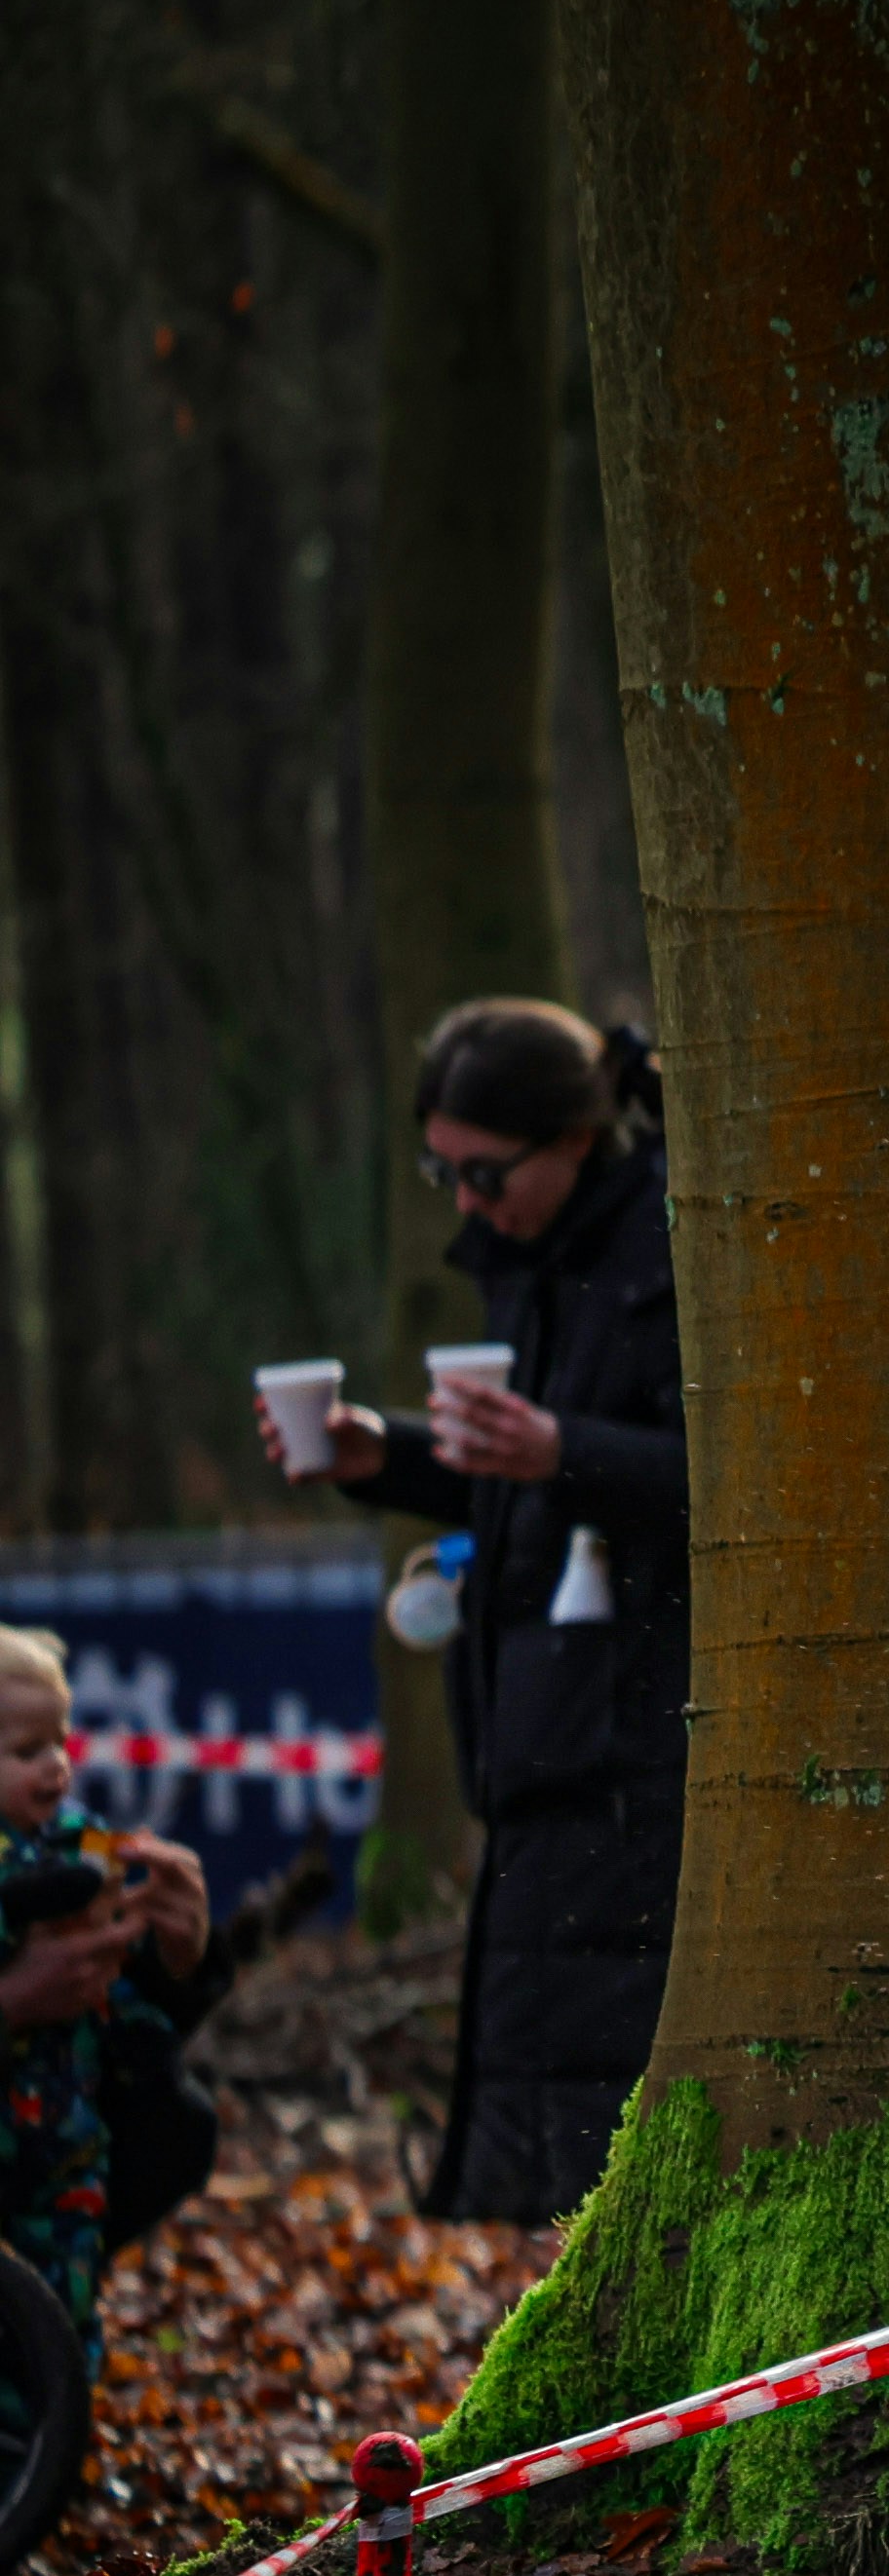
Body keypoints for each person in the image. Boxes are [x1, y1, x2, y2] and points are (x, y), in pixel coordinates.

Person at [269, 1001, 685, 2220]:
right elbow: (518, 1489)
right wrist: (381, 1456)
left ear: (574, 1137)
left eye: (485, 1173)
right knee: (530, 2134)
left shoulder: (665, 1251)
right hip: (534, 1744)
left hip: (636, 1746)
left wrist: (562, 1448)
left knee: (596, 2144)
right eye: (440, 1173)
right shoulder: (531, 1263)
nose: (465, 1201)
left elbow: (730, 1475)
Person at [0, 1626, 211, 2422]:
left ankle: (61, 2428)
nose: (55, 1766)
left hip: (71, 2136)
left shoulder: (75, 1832)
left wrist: (167, 1933)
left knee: (69, 2298)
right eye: (27, 1751)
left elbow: (114, 1882)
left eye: (61, 1742)